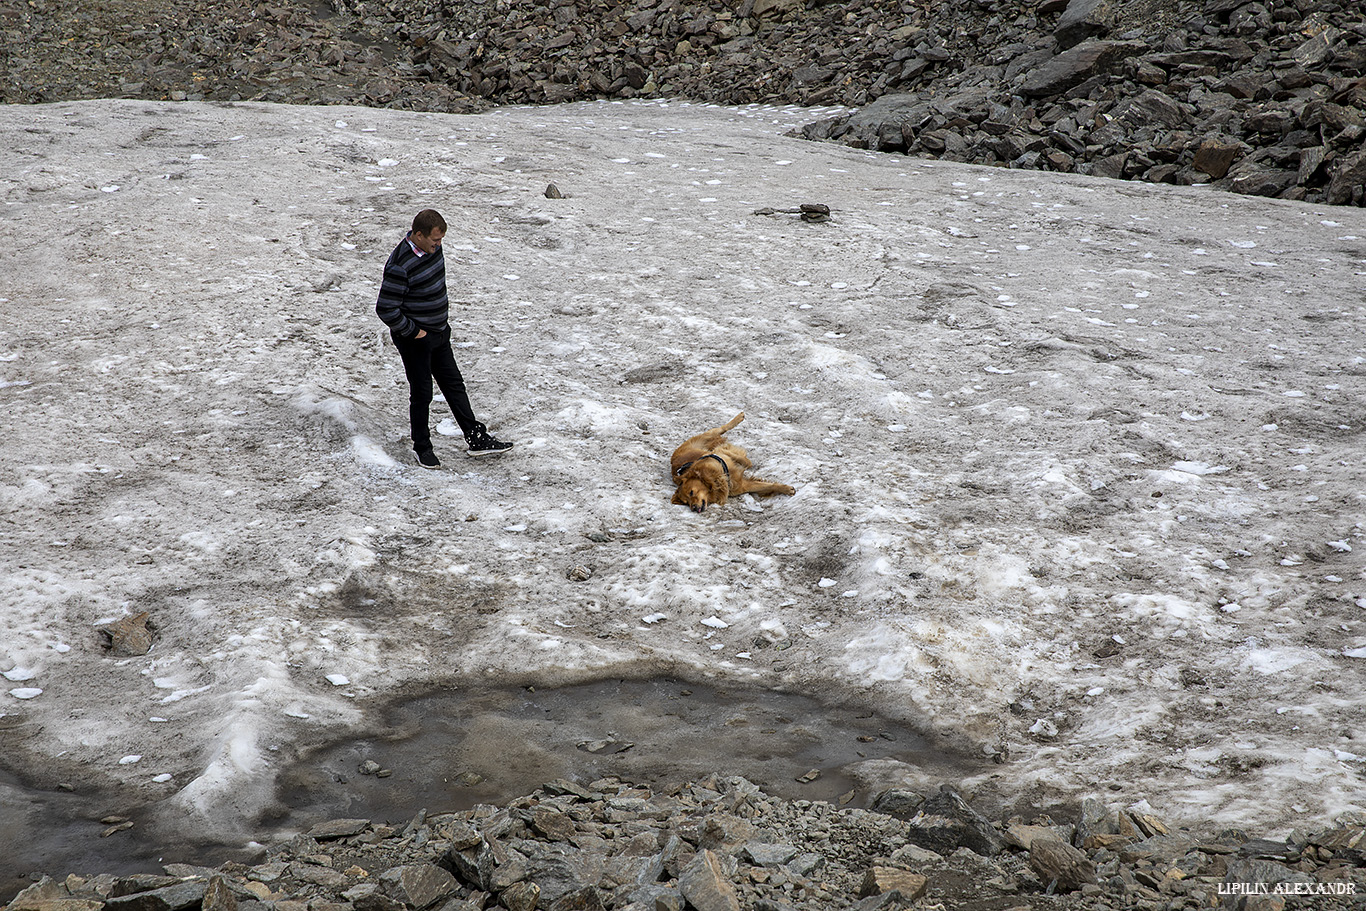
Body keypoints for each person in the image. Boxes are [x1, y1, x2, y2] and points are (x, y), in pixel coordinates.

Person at [376, 209, 513, 467]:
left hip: (439, 332)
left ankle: (476, 438)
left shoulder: (431, 250)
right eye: (434, 240)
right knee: (422, 393)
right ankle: (422, 447)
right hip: (415, 339)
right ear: (418, 235)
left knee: (454, 384)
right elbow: (385, 308)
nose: (438, 246)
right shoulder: (400, 265)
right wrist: (415, 332)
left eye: (440, 241)